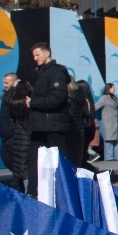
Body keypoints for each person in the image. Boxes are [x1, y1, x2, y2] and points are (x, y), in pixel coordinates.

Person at [26, 42, 74, 197]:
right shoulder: (40, 73)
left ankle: (65, 193)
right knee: (34, 160)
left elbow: (56, 99)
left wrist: (33, 102)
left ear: (47, 54)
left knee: (59, 161)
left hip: (54, 126)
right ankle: (33, 192)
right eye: (33, 56)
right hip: (39, 125)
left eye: (37, 54)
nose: (35, 58)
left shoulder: (56, 72)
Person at [0, 72, 24, 190]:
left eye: (7, 83)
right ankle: (18, 183)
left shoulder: (17, 95)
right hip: (5, 136)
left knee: (17, 165)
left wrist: (17, 88)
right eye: (4, 83)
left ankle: (18, 188)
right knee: (6, 159)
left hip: (13, 135)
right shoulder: (6, 95)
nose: (4, 85)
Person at [5, 80, 32, 190]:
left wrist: (13, 88)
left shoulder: (14, 106)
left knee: (21, 181)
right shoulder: (28, 110)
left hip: (18, 147)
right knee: (29, 185)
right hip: (27, 147)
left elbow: (7, 99)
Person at [96, 83, 118, 161]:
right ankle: (109, 157)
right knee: (109, 138)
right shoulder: (104, 98)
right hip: (108, 121)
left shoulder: (114, 97)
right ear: (109, 88)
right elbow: (97, 105)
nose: (114, 89)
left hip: (115, 121)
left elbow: (116, 109)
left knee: (116, 138)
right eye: (113, 88)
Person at [63, 78, 86, 168]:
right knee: (76, 161)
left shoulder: (66, 97)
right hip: (79, 129)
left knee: (66, 160)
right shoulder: (81, 96)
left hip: (68, 129)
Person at [77, 80, 100, 165]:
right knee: (84, 150)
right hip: (89, 128)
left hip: (84, 127)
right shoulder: (90, 100)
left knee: (81, 151)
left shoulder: (83, 100)